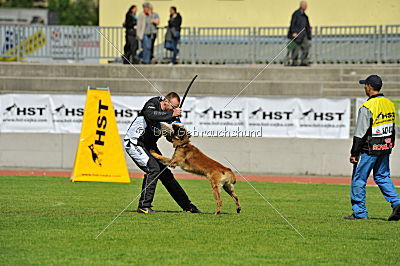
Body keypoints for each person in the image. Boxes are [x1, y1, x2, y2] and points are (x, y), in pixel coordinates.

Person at [124, 92, 201, 214]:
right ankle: (144, 206)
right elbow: (150, 115)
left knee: (166, 174)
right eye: (173, 106)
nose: (175, 109)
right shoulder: (153, 103)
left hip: (150, 147)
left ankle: (188, 206)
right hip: (135, 143)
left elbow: (171, 136)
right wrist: (172, 114)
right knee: (153, 169)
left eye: (177, 107)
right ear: (166, 101)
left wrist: (181, 134)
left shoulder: (170, 116)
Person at [345, 75, 400, 221]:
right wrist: (390, 145)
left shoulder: (367, 107)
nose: (364, 87)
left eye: (365, 85)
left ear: (369, 87)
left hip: (369, 149)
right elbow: (392, 128)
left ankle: (360, 213)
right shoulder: (389, 104)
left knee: (359, 179)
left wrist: (354, 153)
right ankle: (397, 203)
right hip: (385, 146)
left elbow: (360, 133)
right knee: (382, 176)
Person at [287, 1, 311, 66]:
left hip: (303, 35)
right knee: (295, 49)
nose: (306, 7)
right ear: (301, 6)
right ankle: (294, 62)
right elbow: (292, 24)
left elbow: (306, 25)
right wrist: (293, 32)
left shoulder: (304, 15)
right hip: (297, 34)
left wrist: (309, 32)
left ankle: (303, 61)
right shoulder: (296, 14)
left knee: (306, 47)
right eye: (305, 5)